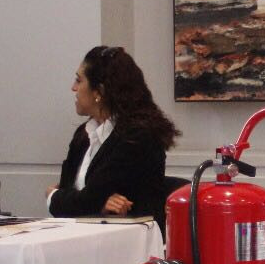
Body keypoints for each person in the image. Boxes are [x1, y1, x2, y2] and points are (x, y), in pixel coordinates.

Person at [46, 46, 180, 227]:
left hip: (131, 243)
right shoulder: (83, 135)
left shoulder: (137, 137)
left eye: (79, 80)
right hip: (84, 236)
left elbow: (83, 199)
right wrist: (93, 203)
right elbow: (76, 194)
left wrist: (53, 196)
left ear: (98, 92)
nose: (73, 88)